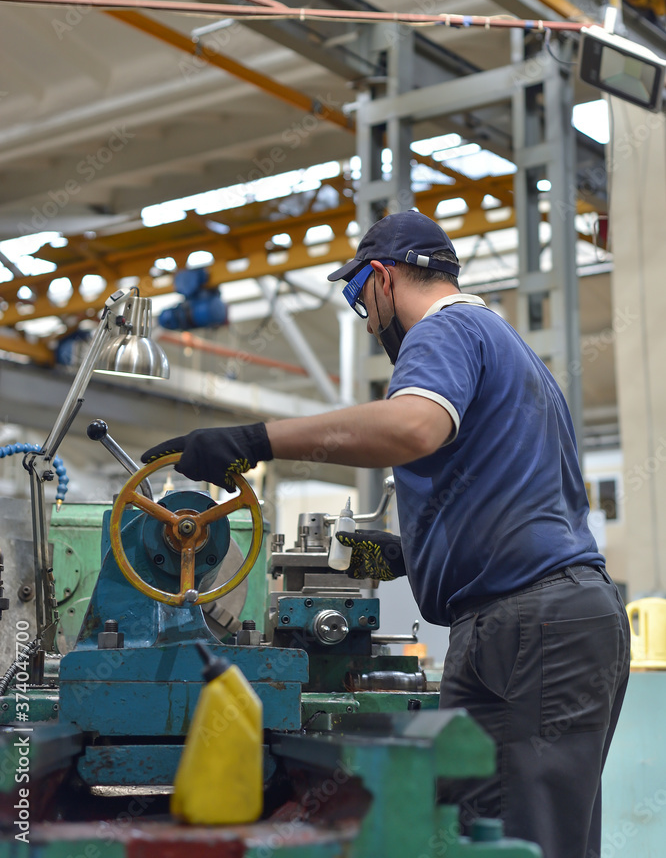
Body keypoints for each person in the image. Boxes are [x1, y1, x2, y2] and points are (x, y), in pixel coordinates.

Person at [142, 210, 630, 858]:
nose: (368, 323)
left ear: (382, 280)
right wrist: (415, 555)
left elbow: (412, 429)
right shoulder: (508, 352)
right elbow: (518, 497)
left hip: (531, 627)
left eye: (358, 301)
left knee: (526, 840)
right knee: (466, 832)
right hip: (514, 624)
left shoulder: (446, 329)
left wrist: (253, 440)